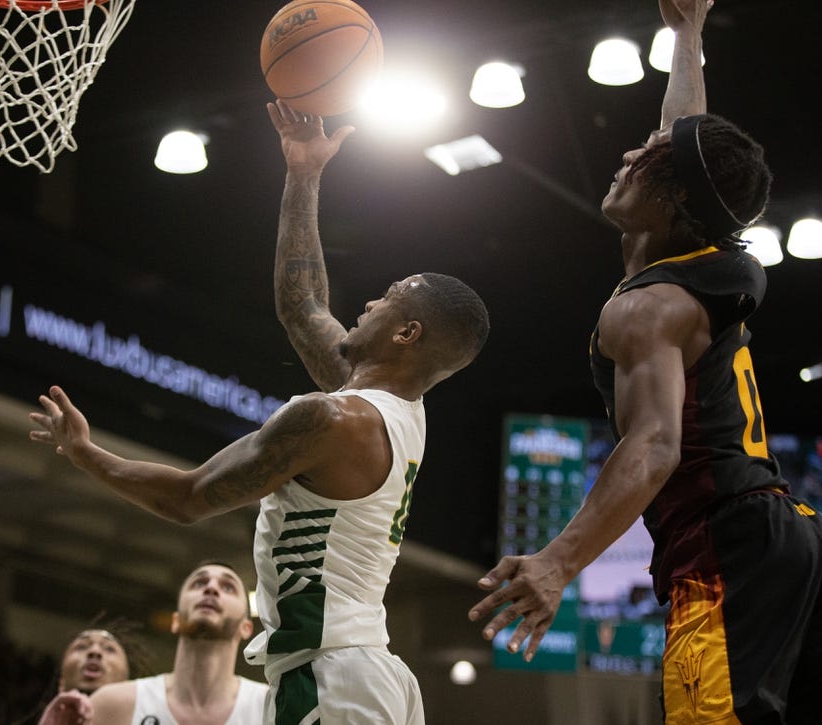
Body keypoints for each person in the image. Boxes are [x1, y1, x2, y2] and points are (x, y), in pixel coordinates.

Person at [468, 1, 822, 723]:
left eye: (646, 162)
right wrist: (686, 34)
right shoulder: (702, 246)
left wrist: (559, 561)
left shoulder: (649, 306)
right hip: (803, 535)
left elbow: (659, 444)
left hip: (727, 543)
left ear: (671, 202)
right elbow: (680, 138)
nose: (630, 155)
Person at [29, 100, 489, 724]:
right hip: (362, 671)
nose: (371, 300)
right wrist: (303, 172)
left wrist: (86, 454)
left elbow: (188, 498)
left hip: (332, 675)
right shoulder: (394, 409)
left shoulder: (332, 421)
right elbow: (302, 307)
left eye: (389, 298)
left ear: (406, 335)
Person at [38, 562, 267, 725]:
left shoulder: (271, 706)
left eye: (227, 587)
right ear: (175, 621)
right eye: (198, 583)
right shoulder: (112, 704)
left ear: (246, 627)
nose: (211, 588)